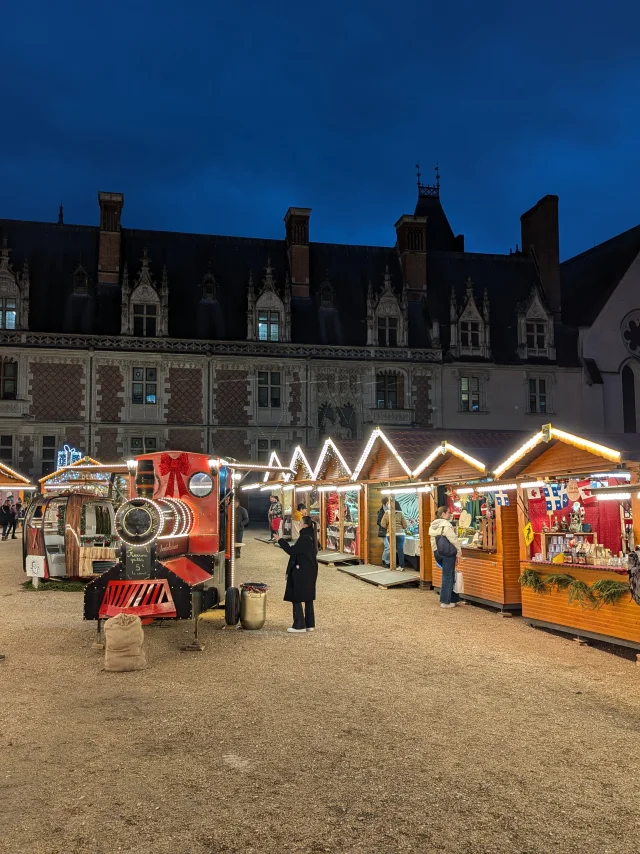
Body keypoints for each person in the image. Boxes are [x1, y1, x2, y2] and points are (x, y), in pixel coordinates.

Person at [278, 516, 318, 633]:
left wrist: (280, 541)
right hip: (310, 570)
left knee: (296, 596)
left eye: (301, 522)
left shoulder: (305, 538)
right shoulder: (311, 536)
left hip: (302, 571)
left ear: (305, 525)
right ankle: (310, 624)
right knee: (308, 597)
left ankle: (299, 625)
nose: (299, 523)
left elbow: (292, 551)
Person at [429, 506, 464, 608]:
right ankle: (445, 601)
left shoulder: (432, 526)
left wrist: (435, 552)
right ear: (443, 514)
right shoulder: (446, 525)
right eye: (448, 512)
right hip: (447, 553)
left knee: (448, 574)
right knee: (448, 576)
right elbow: (453, 540)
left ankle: (453, 598)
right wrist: (459, 552)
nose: (450, 514)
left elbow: (432, 541)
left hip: (437, 553)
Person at [381, 500, 409, 570]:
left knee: (392, 549)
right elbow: (405, 525)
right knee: (400, 550)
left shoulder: (387, 513)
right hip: (400, 534)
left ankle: (392, 565)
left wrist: (388, 527)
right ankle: (401, 566)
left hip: (390, 534)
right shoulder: (401, 513)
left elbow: (382, 524)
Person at [376, 497, 390, 567]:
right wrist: (385, 526)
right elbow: (378, 522)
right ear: (385, 503)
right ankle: (385, 561)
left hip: (390, 532)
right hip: (384, 532)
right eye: (388, 502)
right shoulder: (381, 512)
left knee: (388, 547)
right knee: (388, 547)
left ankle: (387, 561)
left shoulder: (391, 511)